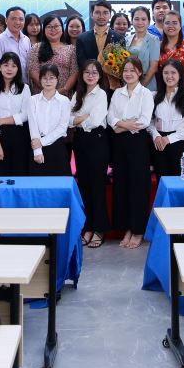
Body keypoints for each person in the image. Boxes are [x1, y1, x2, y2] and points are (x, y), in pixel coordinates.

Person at [107, 57, 154, 249]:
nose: (128, 73)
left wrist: (121, 125)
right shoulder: (117, 93)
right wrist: (123, 124)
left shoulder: (146, 94)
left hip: (138, 143)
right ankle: (127, 228)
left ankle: (138, 230)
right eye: (125, 70)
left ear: (140, 73)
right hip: (119, 144)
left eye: (132, 70)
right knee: (122, 186)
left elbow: (144, 120)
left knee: (138, 187)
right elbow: (110, 117)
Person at [69, 60, 110, 248]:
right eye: (87, 72)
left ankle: (99, 228)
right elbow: (67, 119)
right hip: (80, 141)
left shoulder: (101, 94)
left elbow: (95, 120)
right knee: (84, 185)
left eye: (94, 72)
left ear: (100, 75)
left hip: (97, 140)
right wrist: (82, 118)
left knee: (97, 185)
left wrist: (79, 119)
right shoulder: (78, 93)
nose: (90, 75)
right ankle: (88, 226)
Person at [149, 59, 184, 178]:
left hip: (179, 143)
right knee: (162, 179)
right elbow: (149, 122)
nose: (169, 76)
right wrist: (156, 135)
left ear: (180, 75)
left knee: (181, 179)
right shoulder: (153, 96)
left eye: (173, 73)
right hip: (159, 143)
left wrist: (169, 139)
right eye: (166, 73)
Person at [0, 51, 33, 177]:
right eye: (6, 65)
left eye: (14, 66)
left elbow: (25, 115)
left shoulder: (25, 88)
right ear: (0, 67)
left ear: (18, 69)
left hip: (20, 135)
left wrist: (1, 120)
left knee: (20, 174)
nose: (9, 69)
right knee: (0, 175)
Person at [27, 64, 72, 176]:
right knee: (38, 183)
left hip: (57, 146)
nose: (48, 81)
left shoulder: (64, 101)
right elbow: (33, 126)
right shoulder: (33, 100)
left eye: (51, 78)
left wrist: (41, 142)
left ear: (57, 79)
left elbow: (62, 128)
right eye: (45, 78)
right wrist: (37, 150)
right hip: (37, 146)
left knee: (60, 183)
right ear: (40, 80)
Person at [28, 14, 78, 95]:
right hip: (41, 95)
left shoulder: (71, 49)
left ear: (62, 28)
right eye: (49, 27)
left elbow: (74, 73)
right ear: (44, 30)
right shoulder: (36, 48)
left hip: (63, 95)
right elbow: (33, 72)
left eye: (56, 26)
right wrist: (47, 90)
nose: (53, 29)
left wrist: (63, 89)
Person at [74, 1, 122, 77]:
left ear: (110, 15)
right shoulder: (82, 38)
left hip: (111, 81)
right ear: (91, 15)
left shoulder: (119, 38)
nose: (101, 16)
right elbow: (81, 63)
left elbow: (120, 63)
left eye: (105, 13)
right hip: (89, 80)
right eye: (97, 12)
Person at [157, 10, 184, 90]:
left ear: (180, 26)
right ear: (163, 26)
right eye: (167, 23)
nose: (171, 26)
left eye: (174, 23)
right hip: (163, 90)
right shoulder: (158, 46)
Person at [0, 6, 32, 81]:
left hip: (25, 85)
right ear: (6, 20)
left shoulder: (26, 40)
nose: (17, 22)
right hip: (6, 86)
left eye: (21, 19)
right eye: (13, 19)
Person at [127, 6, 160, 90]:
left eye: (143, 19)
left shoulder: (154, 40)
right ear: (132, 21)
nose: (140, 22)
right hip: (128, 83)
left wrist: (140, 87)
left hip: (147, 85)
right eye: (136, 19)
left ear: (148, 21)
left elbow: (153, 67)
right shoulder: (127, 39)